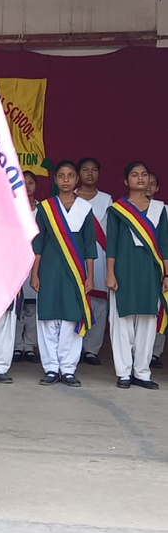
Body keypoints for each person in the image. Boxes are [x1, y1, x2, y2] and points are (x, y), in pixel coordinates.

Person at [31, 160, 96, 387]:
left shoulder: (85, 209)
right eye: (61, 176)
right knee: (48, 318)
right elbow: (38, 244)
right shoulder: (46, 208)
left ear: (76, 180)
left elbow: (90, 246)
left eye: (70, 176)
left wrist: (90, 276)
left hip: (76, 274)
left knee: (71, 319)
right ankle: (50, 368)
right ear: (56, 180)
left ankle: (68, 369)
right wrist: (35, 273)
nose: (66, 180)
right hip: (49, 270)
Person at [106, 162, 168, 390]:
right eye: (134, 174)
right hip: (123, 270)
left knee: (147, 322)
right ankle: (123, 373)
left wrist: (167, 274)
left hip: (150, 272)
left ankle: (142, 372)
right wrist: (110, 273)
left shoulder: (160, 209)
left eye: (144, 174)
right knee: (121, 324)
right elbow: (111, 244)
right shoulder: (117, 209)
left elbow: (164, 244)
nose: (140, 178)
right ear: (126, 181)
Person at [76, 157, 112, 366]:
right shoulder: (69, 197)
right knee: (77, 300)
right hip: (75, 254)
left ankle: (91, 349)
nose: (90, 173)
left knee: (98, 303)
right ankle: (75, 347)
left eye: (94, 170)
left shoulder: (107, 199)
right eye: (85, 170)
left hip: (100, 255)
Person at [14, 170, 40, 363]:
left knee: (33, 307)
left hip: (36, 262)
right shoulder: (11, 208)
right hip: (16, 261)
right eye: (23, 182)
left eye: (31, 182)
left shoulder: (44, 209)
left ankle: (29, 346)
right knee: (17, 307)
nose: (27, 186)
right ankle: (16, 346)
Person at [146, 171, 166, 369]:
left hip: (161, 266)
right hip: (141, 266)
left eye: (153, 183)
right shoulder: (128, 209)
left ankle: (154, 352)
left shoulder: (164, 209)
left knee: (160, 311)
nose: (148, 186)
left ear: (157, 188)